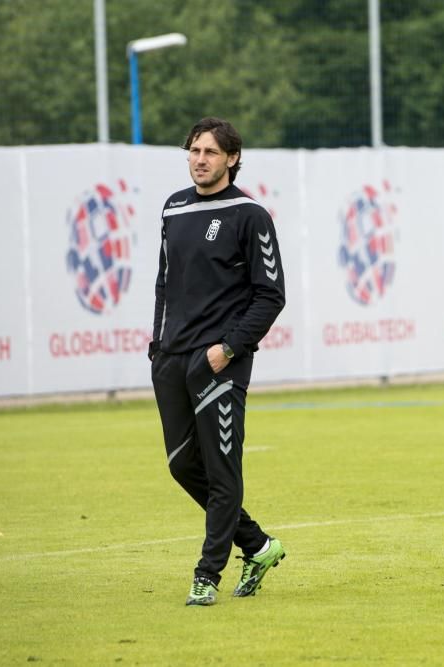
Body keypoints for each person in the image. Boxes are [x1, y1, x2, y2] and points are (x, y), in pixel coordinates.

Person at [149, 117, 287, 606]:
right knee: (182, 465)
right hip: (171, 358)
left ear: (232, 158)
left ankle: (207, 574)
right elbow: (165, 283)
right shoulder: (173, 208)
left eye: (209, 151)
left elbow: (270, 296)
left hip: (220, 363)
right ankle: (258, 545)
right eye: (193, 150)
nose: (199, 159)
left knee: (222, 470)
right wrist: (157, 345)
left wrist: (228, 348)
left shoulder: (250, 215)